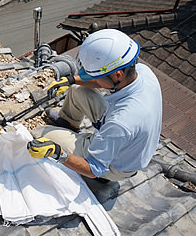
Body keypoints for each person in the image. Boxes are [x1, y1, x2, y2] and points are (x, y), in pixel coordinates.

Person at [27, 29, 162, 182]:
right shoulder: (143, 72)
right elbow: (100, 81)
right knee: (78, 89)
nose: (95, 82)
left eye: (97, 77)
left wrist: (57, 152)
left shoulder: (121, 122)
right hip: (123, 137)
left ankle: (104, 176)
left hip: (114, 165)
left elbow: (94, 169)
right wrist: (72, 80)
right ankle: (68, 124)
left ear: (118, 75)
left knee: (40, 134)